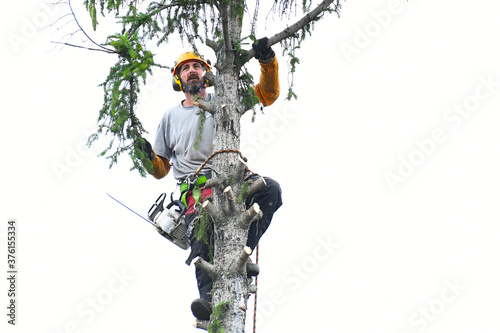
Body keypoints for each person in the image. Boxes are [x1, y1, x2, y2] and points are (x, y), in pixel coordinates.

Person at [141, 38, 282, 321]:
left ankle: (243, 253)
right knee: (202, 241)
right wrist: (145, 155)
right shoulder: (170, 117)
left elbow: (267, 94)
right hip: (197, 189)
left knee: (271, 191)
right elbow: (160, 169)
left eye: (197, 66)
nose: (192, 71)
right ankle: (208, 306)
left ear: (207, 73)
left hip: (233, 176)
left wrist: (268, 62)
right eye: (185, 68)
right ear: (177, 78)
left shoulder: (224, 99)